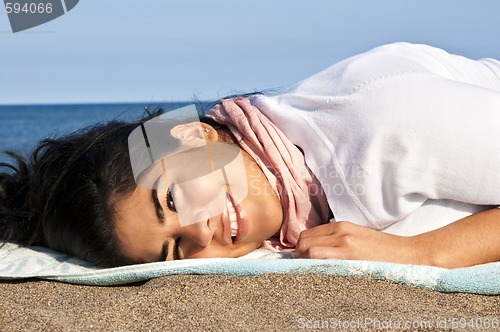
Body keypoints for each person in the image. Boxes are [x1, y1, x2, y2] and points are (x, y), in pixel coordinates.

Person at [1, 42, 500, 268]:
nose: (200, 235)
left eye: (172, 200)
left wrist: (422, 254)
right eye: (173, 252)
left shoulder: (377, 123)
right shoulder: (285, 215)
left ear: (195, 137)